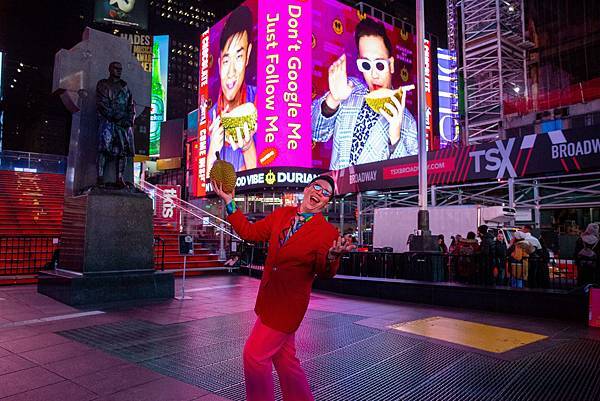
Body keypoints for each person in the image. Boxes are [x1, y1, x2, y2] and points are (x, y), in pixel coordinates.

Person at [213, 175, 355, 401]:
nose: (319, 193)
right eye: (317, 187)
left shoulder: (327, 233)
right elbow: (250, 233)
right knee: (285, 360)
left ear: (326, 202)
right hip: (268, 299)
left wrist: (331, 256)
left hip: (288, 307)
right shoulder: (282, 214)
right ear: (307, 189)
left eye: (325, 193)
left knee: (254, 356)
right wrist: (230, 202)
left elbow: (324, 271)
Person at [311, 18, 418, 170]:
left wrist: (395, 137)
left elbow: (409, 176)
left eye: (380, 65)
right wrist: (333, 100)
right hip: (337, 186)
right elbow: (315, 132)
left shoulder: (407, 122)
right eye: (366, 65)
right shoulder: (349, 90)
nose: (373, 74)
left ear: (392, 65)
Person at [207, 5, 257, 173]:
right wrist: (212, 151)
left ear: (248, 55)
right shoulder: (209, 118)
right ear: (220, 63)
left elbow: (268, 177)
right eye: (227, 60)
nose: (231, 72)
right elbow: (203, 180)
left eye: (239, 57)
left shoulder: (264, 103)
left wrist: (248, 147)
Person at [96, 61, 135, 186]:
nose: (119, 70)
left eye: (120, 69)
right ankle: (100, 177)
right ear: (110, 69)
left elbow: (131, 106)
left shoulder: (125, 87)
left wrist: (129, 120)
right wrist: (113, 115)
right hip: (108, 122)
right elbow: (101, 103)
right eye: (116, 68)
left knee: (123, 152)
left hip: (123, 124)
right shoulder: (103, 84)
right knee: (103, 149)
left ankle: (120, 178)